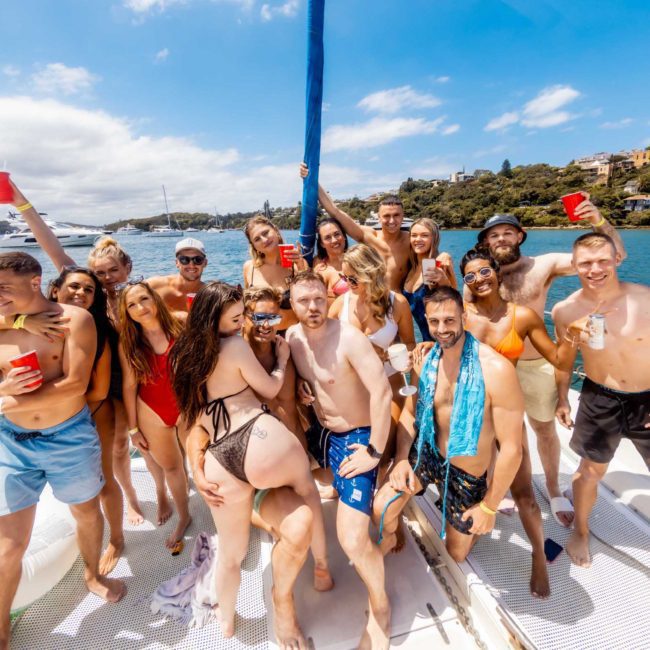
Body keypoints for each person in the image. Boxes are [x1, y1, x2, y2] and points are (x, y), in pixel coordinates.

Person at [172, 282, 330, 646]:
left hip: (219, 455)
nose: (242, 319)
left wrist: (196, 466)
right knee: (307, 493)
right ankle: (321, 568)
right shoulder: (235, 346)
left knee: (230, 552)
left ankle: (227, 620)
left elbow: (191, 417)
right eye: (236, 315)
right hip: (257, 437)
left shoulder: (187, 354)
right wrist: (284, 361)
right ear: (216, 316)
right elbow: (272, 390)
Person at [0, 253, 126, 648]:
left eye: (4, 287)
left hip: (67, 437)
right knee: (9, 544)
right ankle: (1, 626)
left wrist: (5, 402)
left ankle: (92, 574)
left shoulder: (76, 320)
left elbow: (75, 385)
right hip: (11, 442)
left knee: (86, 512)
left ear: (35, 282)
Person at [7, 180, 149, 529]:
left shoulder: (131, 298)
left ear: (127, 270)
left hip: (118, 382)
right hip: (80, 389)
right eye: (98, 273)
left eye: (112, 271)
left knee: (117, 452)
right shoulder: (77, 292)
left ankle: (130, 500)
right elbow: (49, 243)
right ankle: (120, 505)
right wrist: (22, 203)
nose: (104, 279)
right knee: (103, 460)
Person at [475, 200, 627, 527]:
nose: (500, 239)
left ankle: (554, 487)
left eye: (507, 233)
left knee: (543, 429)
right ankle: (495, 486)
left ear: (520, 236)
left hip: (535, 364)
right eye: (494, 235)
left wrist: (597, 220)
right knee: (495, 432)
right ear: (486, 242)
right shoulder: (480, 274)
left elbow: (610, 255)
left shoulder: (543, 266)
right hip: (498, 367)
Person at [373, 287, 524, 575]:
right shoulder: (426, 359)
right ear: (426, 322)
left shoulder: (496, 370)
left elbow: (512, 449)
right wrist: (402, 457)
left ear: (464, 318)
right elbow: (409, 411)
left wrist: (489, 507)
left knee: (456, 554)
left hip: (466, 473)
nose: (441, 330)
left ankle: (466, 508)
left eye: (449, 321)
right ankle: (392, 535)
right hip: (427, 453)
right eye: (434, 322)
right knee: (382, 508)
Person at [459, 248, 578, 597]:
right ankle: (476, 521)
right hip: (469, 413)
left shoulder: (522, 316)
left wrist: (571, 336)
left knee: (524, 493)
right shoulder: (460, 314)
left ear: (496, 272)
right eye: (470, 276)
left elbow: (557, 357)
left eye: (484, 272)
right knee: (471, 481)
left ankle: (539, 556)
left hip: (506, 413)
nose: (479, 280)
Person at [288, 270, 393, 650]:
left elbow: (382, 394)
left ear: (327, 297)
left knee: (350, 538)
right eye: (304, 301)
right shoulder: (292, 339)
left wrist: (374, 452)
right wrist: (301, 388)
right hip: (323, 434)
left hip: (359, 438)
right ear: (293, 304)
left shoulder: (349, 338)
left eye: (318, 298)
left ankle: (380, 605)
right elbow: (310, 381)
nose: (313, 307)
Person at [552, 233, 650, 568]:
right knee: (589, 472)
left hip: (646, 399)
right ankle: (580, 529)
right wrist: (562, 398)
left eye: (603, 261)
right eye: (586, 263)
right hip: (599, 397)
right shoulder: (565, 310)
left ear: (616, 259)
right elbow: (564, 360)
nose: (595, 269)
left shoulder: (644, 298)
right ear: (574, 265)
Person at [47, 267, 125, 574]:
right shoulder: (33, 324)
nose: (80, 293)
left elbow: (99, 390)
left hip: (92, 413)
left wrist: (65, 412)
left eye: (88, 290)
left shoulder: (99, 330)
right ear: (55, 290)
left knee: (105, 480)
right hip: (50, 419)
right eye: (74, 286)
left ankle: (117, 539)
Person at [118, 281, 191, 553]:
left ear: (155, 299)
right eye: (132, 305)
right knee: (171, 467)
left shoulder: (181, 323)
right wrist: (133, 430)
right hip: (151, 410)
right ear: (127, 313)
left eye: (144, 299)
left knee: (198, 459)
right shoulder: (129, 343)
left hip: (186, 406)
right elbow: (128, 385)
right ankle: (184, 515)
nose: (140, 308)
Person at [329, 244, 415, 464]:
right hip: (352, 389)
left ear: (371, 273)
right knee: (352, 448)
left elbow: (410, 345)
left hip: (389, 383)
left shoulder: (398, 304)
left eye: (353, 279)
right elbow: (323, 345)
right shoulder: (341, 304)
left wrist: (390, 355)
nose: (347, 284)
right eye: (344, 277)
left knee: (385, 447)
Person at [300, 163, 409, 292]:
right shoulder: (369, 237)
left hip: (397, 304)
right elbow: (335, 212)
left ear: (403, 216)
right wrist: (311, 179)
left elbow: (429, 260)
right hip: (372, 304)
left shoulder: (411, 241)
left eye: (396, 215)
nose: (392, 220)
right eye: (386, 216)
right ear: (379, 217)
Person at [242, 287, 304, 446]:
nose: (266, 325)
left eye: (273, 318)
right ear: (243, 317)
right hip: (261, 453)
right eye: (259, 317)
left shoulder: (286, 351)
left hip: (297, 447)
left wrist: (301, 383)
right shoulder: (237, 358)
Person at [243, 215, 307, 331]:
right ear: (254, 246)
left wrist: (301, 267)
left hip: (291, 337)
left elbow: (309, 302)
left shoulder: (296, 265)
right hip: (260, 339)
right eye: (257, 239)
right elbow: (247, 309)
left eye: (266, 233)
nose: (264, 239)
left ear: (276, 231)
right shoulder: (249, 268)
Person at [402, 218, 456, 341]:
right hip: (427, 341)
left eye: (424, 235)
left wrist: (443, 279)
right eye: (414, 235)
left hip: (446, 340)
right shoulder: (411, 268)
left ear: (434, 238)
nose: (418, 239)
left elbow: (453, 300)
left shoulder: (437, 265)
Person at [147, 238, 208, 312]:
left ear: (205, 263)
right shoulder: (154, 286)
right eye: (184, 260)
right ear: (177, 263)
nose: (191, 265)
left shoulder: (209, 295)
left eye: (198, 260)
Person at [312, 217, 350, 305]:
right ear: (322, 244)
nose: (334, 240)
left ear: (344, 236)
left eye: (337, 234)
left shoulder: (358, 260)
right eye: (328, 237)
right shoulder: (321, 270)